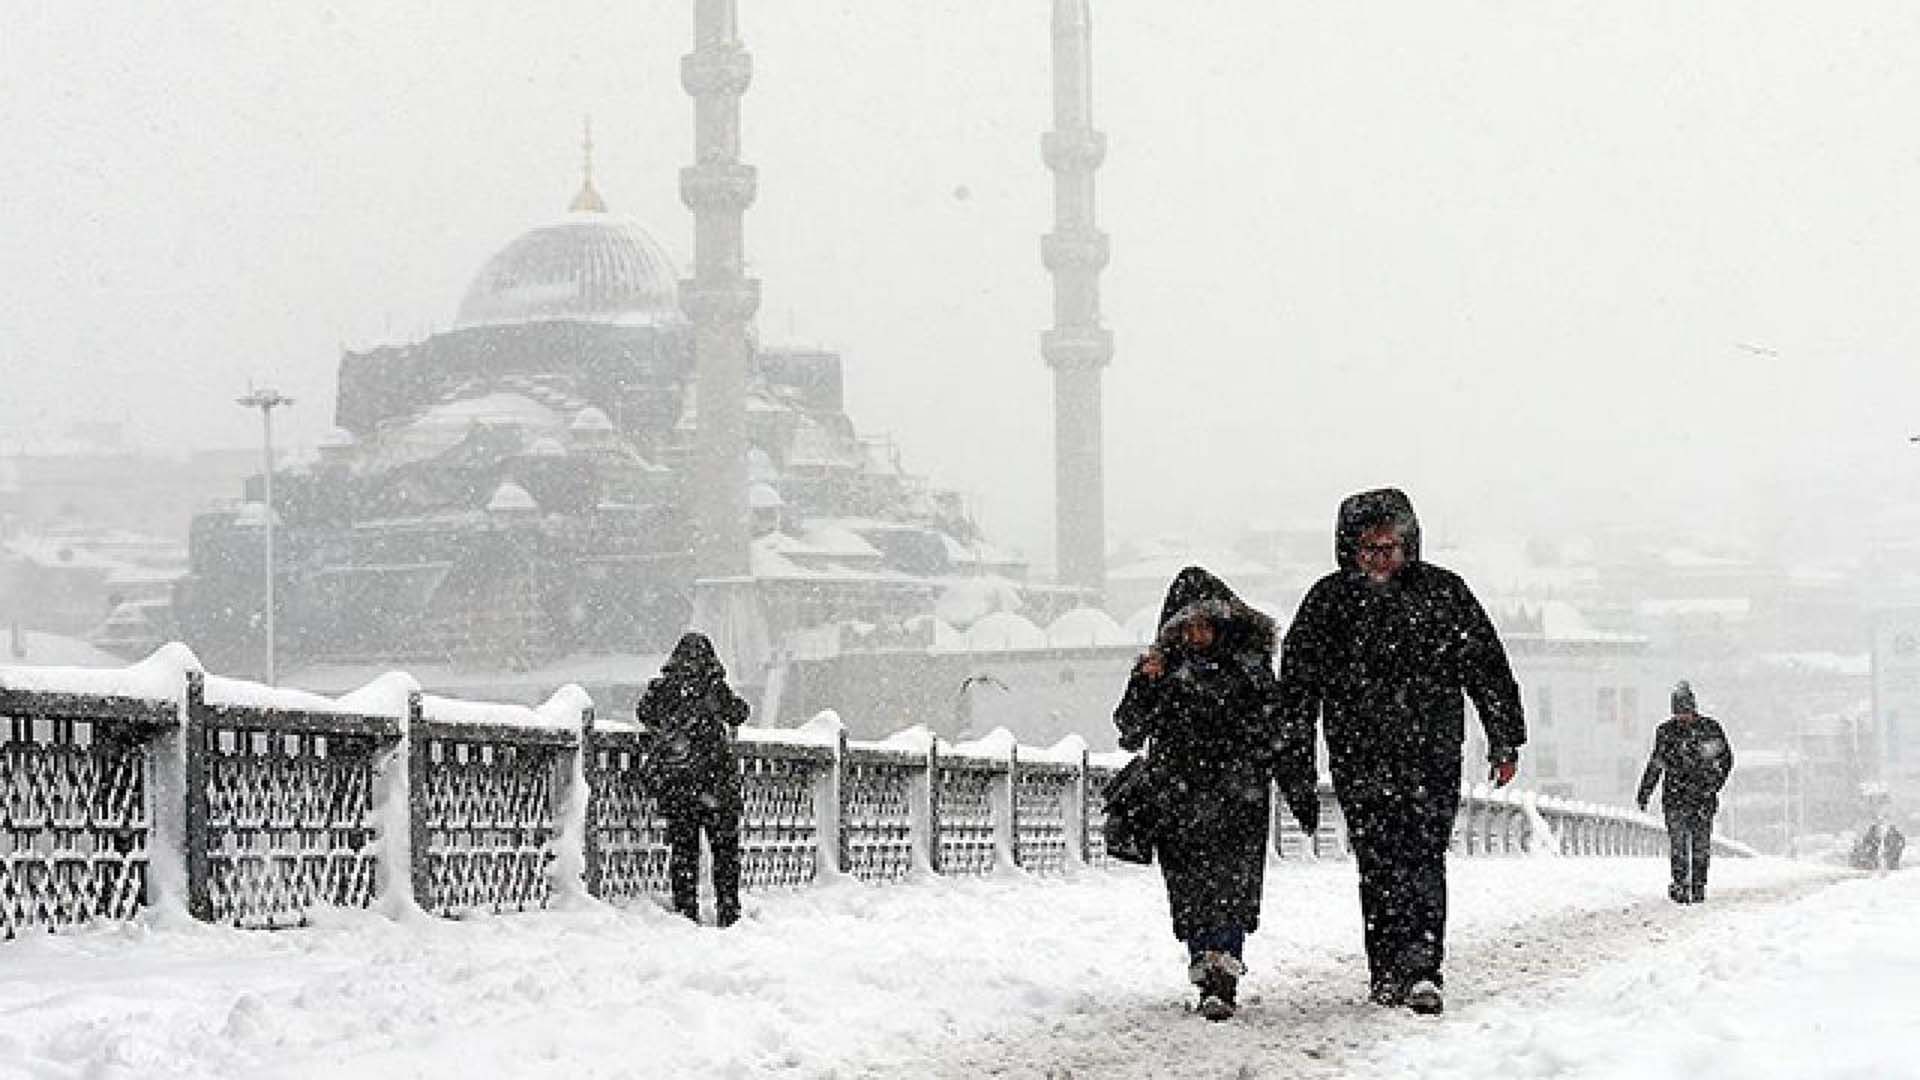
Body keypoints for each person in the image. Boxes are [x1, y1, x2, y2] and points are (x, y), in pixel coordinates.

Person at [1276, 488, 1525, 1016]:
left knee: (1422, 857)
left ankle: (1421, 968)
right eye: (1370, 548)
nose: (1381, 558)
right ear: (1351, 550)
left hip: (1431, 753)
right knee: (1378, 861)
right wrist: (1295, 763)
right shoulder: (1328, 603)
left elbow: (1486, 667)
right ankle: (1386, 969)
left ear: (1409, 544)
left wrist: (1505, 738)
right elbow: (1296, 690)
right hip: (1359, 756)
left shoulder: (1444, 594)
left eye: (1390, 546)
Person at [1113, 566, 1312, 1022]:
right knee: (1190, 888)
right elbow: (1128, 730)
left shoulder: (1250, 672)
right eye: (1188, 626)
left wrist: (1296, 787)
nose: (1198, 634)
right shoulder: (1161, 672)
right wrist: (1146, 681)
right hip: (1179, 799)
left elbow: (1278, 734)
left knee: (1233, 888)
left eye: (1205, 624)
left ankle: (1222, 967)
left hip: (1238, 798)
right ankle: (1205, 961)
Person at [635, 631, 751, 926]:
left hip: (679, 786)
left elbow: (644, 712)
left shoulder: (665, 689)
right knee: (725, 853)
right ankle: (729, 911)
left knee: (684, 853)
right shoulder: (714, 689)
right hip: (716, 784)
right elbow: (739, 713)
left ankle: (686, 912)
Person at [1636, 680, 1734, 904]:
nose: (1682, 717)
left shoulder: (1710, 729)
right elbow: (1656, 763)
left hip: (1702, 798)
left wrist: (1713, 785)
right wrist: (1645, 790)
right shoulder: (1666, 733)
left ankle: (1698, 885)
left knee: (1700, 845)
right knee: (1678, 844)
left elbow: (1725, 760)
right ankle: (1680, 884)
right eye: (1678, 713)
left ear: (1693, 709)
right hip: (1675, 798)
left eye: (1685, 712)